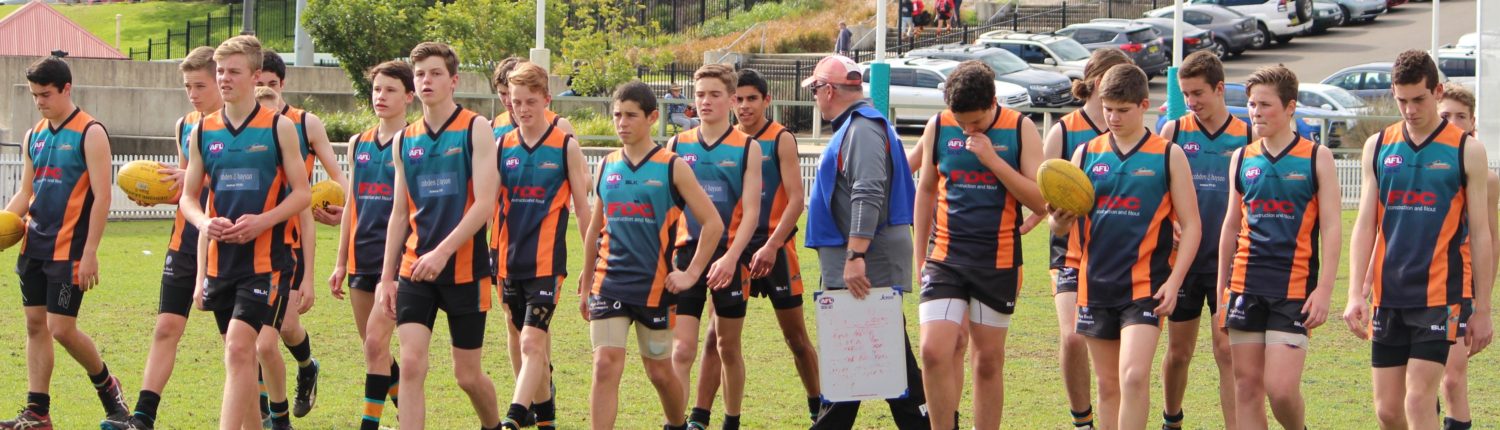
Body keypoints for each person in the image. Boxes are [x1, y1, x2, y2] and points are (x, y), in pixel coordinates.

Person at [1344, 50, 1494, 430]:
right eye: (1401, 100)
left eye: (1419, 99)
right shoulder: (1377, 147)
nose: (1410, 110)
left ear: (1437, 91)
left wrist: (1483, 309)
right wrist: (1355, 294)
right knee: (1388, 411)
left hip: (1440, 297)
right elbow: (1365, 223)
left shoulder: (1466, 150)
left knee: (1418, 398)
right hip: (1388, 295)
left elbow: (1480, 233)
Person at [1049, 63, 1201, 430]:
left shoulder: (1168, 155)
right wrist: (1059, 222)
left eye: (1122, 110)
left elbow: (1193, 225)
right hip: (1095, 284)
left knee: (1133, 376)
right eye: (1107, 108)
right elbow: (1057, 224)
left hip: (1145, 287)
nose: (1113, 117)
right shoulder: (1085, 154)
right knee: (1108, 384)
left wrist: (1175, 281)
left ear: (1144, 105)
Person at [177, 35, 311, 430]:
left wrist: (263, 221)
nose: (223, 79)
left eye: (233, 71)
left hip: (267, 262)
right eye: (219, 71)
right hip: (221, 261)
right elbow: (188, 198)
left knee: (239, 349)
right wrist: (204, 223)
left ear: (255, 77)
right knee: (239, 359)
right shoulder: (203, 130)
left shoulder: (279, 128)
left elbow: (303, 194)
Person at [375, 41, 503, 430]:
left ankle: (493, 425)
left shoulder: (475, 128)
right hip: (415, 269)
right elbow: (399, 214)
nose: (426, 81)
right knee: (411, 364)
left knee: (467, 375)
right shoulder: (403, 139)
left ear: (453, 80)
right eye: (420, 74)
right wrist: (386, 278)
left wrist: (444, 252)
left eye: (435, 73)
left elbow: (484, 204)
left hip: (464, 268)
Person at [581, 80, 723, 430]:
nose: (622, 122)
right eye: (617, 115)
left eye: (631, 115)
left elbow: (713, 224)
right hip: (608, 283)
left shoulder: (672, 166)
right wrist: (585, 285)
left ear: (652, 117)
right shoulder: (607, 165)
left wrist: (690, 275)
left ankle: (677, 424)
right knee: (604, 365)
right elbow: (593, 231)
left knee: (659, 371)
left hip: (654, 288)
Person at [912, 60, 1045, 430]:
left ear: (993, 101)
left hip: (997, 260)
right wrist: (919, 255)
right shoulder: (938, 126)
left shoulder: (1021, 129)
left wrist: (993, 160)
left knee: (987, 361)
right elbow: (924, 192)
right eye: (962, 122)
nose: (968, 129)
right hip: (945, 258)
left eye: (976, 121)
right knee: (934, 350)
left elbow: (1039, 201)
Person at [0, 55, 129, 430]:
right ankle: (37, 412)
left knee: (62, 329)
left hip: (71, 249)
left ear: (66, 89)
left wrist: (91, 252)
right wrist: (4, 223)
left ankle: (109, 389)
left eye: (45, 94)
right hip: (33, 245)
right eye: (34, 95)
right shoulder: (33, 134)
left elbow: (103, 197)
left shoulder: (91, 132)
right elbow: (26, 192)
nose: (39, 101)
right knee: (35, 326)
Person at [686, 68, 822, 424]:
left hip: (773, 249)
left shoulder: (780, 139)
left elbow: (796, 200)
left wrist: (774, 244)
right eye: (739, 100)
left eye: (752, 99)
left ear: (767, 101)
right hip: (732, 249)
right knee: (718, 336)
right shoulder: (722, 141)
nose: (744, 107)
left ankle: (818, 406)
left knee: (795, 337)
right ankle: (700, 415)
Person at [802, 54, 930, 429]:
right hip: (861, 259)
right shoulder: (860, 125)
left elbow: (868, 192)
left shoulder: (860, 128)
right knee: (877, 363)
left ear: (828, 90)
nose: (814, 97)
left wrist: (855, 253)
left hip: (864, 262)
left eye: (815, 90)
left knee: (864, 363)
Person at [101, 46, 221, 430]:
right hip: (184, 241)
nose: (193, 93)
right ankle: (142, 418)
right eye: (187, 86)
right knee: (166, 327)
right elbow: (185, 189)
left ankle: (270, 411)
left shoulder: (241, 127)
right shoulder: (185, 124)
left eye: (199, 85)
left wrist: (188, 181)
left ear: (221, 79)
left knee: (237, 341)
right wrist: (154, 193)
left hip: (226, 242)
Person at [1219, 65, 1341, 430]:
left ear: (1290, 107)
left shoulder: (1316, 157)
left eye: (1265, 105)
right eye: (1252, 104)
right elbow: (1230, 225)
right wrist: (1222, 288)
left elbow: (1333, 227)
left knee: (1282, 390)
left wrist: (1324, 291)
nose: (1256, 112)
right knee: (1247, 388)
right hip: (1244, 286)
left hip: (1294, 290)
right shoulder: (1242, 158)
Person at [492, 62, 592, 430]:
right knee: (524, 343)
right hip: (508, 263)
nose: (521, 108)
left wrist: (592, 263)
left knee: (533, 343)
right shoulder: (501, 144)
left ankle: (514, 417)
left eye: (530, 101)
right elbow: (486, 205)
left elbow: (584, 210)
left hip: (548, 265)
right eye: (515, 101)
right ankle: (545, 420)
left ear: (547, 100)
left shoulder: (565, 145)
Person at [1038, 47, 1132, 430]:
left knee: (1119, 354)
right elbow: (1046, 199)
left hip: (1119, 254)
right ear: (1095, 81)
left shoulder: (1133, 128)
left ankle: (1117, 416)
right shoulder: (1064, 130)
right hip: (1069, 252)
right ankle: (1083, 420)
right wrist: (1055, 218)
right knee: (1074, 337)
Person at [667, 63, 762, 430]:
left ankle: (731, 420)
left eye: (714, 94)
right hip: (687, 255)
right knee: (682, 349)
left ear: (732, 99)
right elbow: (668, 206)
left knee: (727, 347)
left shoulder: (747, 148)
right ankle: (674, 421)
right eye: (700, 94)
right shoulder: (677, 146)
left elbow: (752, 213)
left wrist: (732, 258)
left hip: (729, 258)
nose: (705, 101)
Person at [1154, 50, 1245, 430]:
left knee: (1227, 351)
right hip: (1184, 262)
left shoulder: (1248, 134)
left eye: (1198, 93)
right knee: (1179, 352)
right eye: (1185, 94)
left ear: (1219, 88)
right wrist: (1170, 219)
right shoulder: (1173, 132)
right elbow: (1158, 192)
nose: (1191, 102)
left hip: (1231, 261)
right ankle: (1171, 419)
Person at [257, 49, 350, 421]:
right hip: (250, 244)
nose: (265, 90)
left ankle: (307, 367)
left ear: (283, 85)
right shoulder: (235, 125)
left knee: (286, 326)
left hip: (293, 240)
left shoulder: (304, 123)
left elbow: (340, 178)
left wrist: (350, 210)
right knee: (258, 338)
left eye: (271, 84)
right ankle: (266, 411)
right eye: (259, 83)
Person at [327, 60, 411, 430]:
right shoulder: (357, 143)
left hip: (396, 263)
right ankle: (409, 413)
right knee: (373, 349)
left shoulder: (414, 142)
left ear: (409, 96)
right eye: (377, 89)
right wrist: (340, 261)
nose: (381, 96)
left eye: (390, 90)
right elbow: (352, 207)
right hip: (360, 259)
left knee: (376, 345)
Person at [1435, 81, 1494, 430]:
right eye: (1446, 115)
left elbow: (1490, 239)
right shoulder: (1418, 168)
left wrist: (1483, 303)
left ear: (1473, 123)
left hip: (1461, 286)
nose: (1453, 122)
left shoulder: (1484, 176)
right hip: (1414, 285)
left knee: (1453, 379)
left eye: (1461, 116)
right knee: (1422, 386)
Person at [490, 57, 575, 141]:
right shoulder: (493, 127)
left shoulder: (559, 125)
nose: (508, 100)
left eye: (511, 93)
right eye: (502, 93)